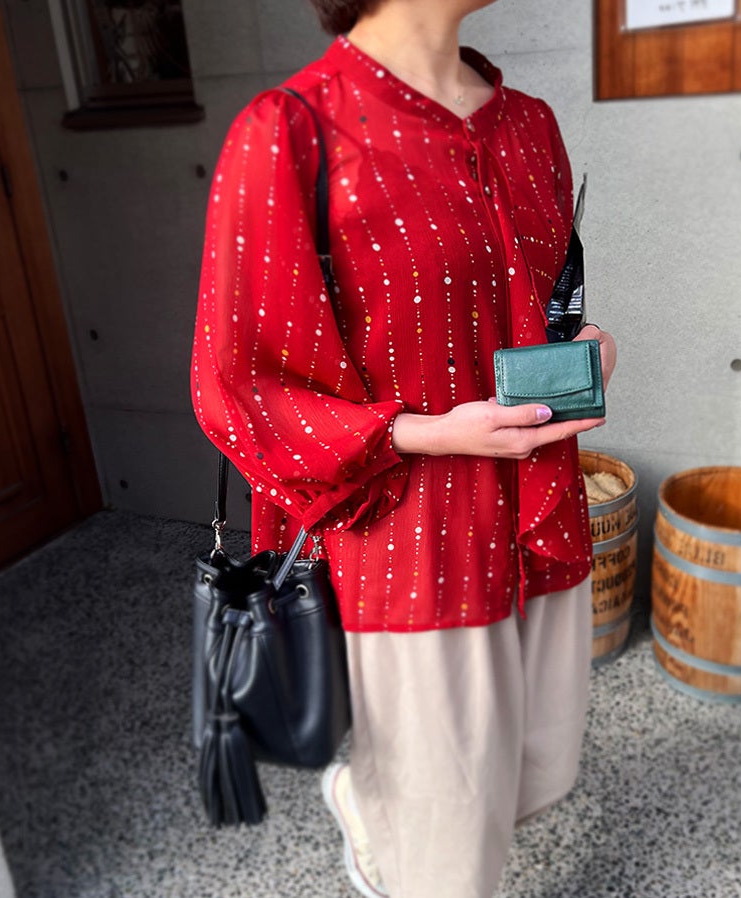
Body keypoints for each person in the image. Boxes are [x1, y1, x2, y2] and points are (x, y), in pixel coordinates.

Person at [190, 0, 617, 895]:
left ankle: (372, 798)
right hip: (412, 532)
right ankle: (383, 824)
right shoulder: (289, 132)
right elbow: (237, 384)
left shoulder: (529, 124)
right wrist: (426, 432)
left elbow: (542, 297)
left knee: (533, 769)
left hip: (539, 510)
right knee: (447, 850)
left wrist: (586, 348)